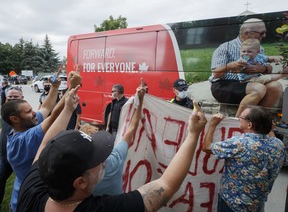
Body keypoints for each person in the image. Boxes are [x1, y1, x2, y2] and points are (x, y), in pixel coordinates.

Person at [16, 83, 207, 211]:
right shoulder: (108, 207)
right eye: (98, 159)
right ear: (80, 182)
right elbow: (165, 186)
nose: (104, 162)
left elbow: (44, 143)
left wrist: (67, 109)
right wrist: (193, 135)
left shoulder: (31, 188)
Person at [1, 70, 81, 212]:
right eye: (28, 112)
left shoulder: (22, 127)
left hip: (24, 194)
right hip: (29, 202)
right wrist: (71, 89)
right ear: (14, 119)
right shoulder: (23, 141)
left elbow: (46, 107)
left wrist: (55, 87)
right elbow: (53, 117)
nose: (34, 113)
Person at [202, 106, 286, 211]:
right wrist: (268, 127)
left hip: (233, 205)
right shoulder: (278, 145)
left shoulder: (239, 144)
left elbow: (206, 147)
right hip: (257, 206)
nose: (238, 119)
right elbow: (273, 139)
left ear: (249, 125)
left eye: (241, 117)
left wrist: (212, 125)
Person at [79, 81, 146, 195]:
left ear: (119, 92)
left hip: (119, 130)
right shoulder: (115, 160)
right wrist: (108, 125)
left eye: (113, 91)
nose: (111, 93)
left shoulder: (80, 171)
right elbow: (132, 127)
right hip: (113, 129)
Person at [209, 18, 283, 117]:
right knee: (258, 88)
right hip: (224, 85)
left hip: (249, 82)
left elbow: (267, 67)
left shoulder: (258, 48)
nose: (264, 35)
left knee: (276, 86)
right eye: (262, 33)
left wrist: (263, 68)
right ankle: (238, 122)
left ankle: (258, 120)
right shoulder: (224, 47)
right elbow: (216, 74)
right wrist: (230, 66)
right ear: (248, 33)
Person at [0, 86, 24, 206]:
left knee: (24, 186)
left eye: (16, 97)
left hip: (21, 160)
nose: (12, 99)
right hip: (4, 159)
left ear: (22, 98)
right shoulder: (4, 112)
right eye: (10, 97)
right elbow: (4, 129)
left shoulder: (27, 114)